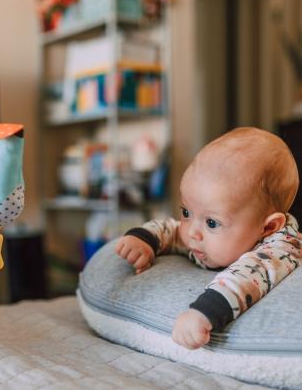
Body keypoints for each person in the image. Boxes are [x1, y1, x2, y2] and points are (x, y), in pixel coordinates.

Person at [115, 127, 301, 350]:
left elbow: (250, 276)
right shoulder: (203, 233)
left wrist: (204, 313)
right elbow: (172, 230)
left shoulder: (280, 249)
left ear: (268, 227)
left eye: (212, 223)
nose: (192, 232)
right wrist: (144, 240)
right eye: (186, 212)